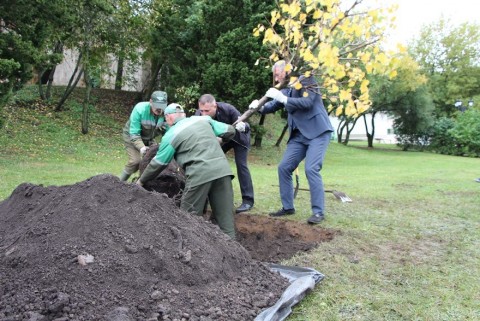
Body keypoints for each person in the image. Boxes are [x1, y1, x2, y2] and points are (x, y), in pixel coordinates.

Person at [249, 60, 334, 224]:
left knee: (311, 169)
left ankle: (318, 213)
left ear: (286, 70)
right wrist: (258, 106)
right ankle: (288, 207)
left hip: (318, 132)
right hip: (298, 136)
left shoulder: (306, 79)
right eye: (274, 75)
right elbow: (271, 106)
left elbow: (308, 103)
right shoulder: (286, 89)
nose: (275, 77)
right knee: (284, 167)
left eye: (277, 74)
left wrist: (283, 99)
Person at [136, 103, 237, 239]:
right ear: (183, 114)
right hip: (223, 171)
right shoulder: (203, 119)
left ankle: (189, 253)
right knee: (226, 223)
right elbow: (230, 130)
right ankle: (234, 254)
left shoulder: (171, 134)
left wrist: (141, 180)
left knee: (187, 220)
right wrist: (220, 138)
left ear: (168, 118)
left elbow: (159, 163)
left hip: (199, 174)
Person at [196, 94, 254, 213]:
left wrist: (244, 127)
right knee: (209, 163)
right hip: (221, 141)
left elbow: (246, 125)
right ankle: (208, 196)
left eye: (207, 110)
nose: (204, 114)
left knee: (241, 165)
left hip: (239, 138)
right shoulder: (198, 115)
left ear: (215, 106)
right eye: (202, 110)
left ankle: (248, 200)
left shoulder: (228, 109)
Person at [119, 91, 168, 182]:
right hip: (132, 136)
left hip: (149, 138)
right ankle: (119, 183)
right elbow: (134, 134)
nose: (159, 109)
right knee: (135, 161)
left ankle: (142, 184)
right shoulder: (140, 109)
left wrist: (165, 143)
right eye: (156, 105)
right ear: (150, 102)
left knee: (155, 160)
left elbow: (168, 132)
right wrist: (141, 148)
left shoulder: (167, 113)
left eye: (161, 106)